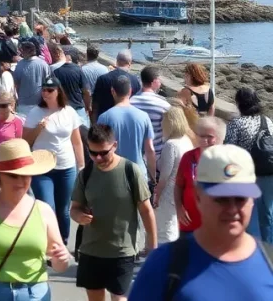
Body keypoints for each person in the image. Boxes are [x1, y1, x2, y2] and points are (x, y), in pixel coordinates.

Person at [128, 144, 273, 301]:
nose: (232, 209)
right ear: (198, 196)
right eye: (221, 199)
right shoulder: (164, 264)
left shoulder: (269, 262)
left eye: (240, 199)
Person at [0, 139, 70, 301]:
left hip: (35, 293)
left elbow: (59, 266)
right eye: (13, 176)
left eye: (26, 175)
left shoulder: (44, 211)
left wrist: (61, 258)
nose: (21, 181)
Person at [71, 124, 157, 301]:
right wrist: (79, 216)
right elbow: (74, 208)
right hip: (91, 250)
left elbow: (146, 211)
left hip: (122, 252)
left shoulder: (130, 171)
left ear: (115, 145)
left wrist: (152, 246)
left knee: (119, 298)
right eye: (93, 153)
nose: (98, 158)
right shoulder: (86, 174)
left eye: (103, 152)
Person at [22, 75, 84, 244]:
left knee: (64, 209)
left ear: (58, 92)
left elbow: (76, 141)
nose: (46, 93)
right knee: (47, 207)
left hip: (66, 166)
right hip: (42, 167)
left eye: (50, 90)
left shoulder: (69, 112)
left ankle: (62, 242)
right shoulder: (35, 113)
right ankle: (50, 243)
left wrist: (81, 165)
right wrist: (39, 128)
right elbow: (25, 140)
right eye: (43, 90)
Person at [225, 87, 273, 243]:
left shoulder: (237, 123)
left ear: (239, 103)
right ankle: (269, 245)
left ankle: (246, 246)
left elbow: (229, 149)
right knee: (267, 212)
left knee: (244, 211)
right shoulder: (267, 121)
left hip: (245, 173)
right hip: (267, 171)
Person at [98, 74, 157, 183]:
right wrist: (153, 178)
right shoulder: (143, 116)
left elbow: (100, 149)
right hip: (138, 173)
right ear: (130, 91)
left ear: (113, 91)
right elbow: (150, 150)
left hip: (113, 174)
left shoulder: (104, 117)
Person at [176, 116, 226, 237]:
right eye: (201, 135)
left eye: (209, 136)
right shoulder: (188, 157)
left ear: (219, 138)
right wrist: (178, 208)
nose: (204, 140)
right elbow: (178, 185)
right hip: (188, 224)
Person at [153, 104, 196, 244]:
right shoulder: (187, 141)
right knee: (177, 225)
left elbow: (165, 174)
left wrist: (157, 194)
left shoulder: (171, 144)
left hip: (170, 190)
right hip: (184, 187)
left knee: (165, 228)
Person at [130, 66, 171, 163]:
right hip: (156, 153)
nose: (161, 83)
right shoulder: (164, 105)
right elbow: (168, 131)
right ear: (154, 82)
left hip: (134, 153)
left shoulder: (130, 102)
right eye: (159, 80)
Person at [90, 50, 142, 123]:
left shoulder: (103, 79)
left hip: (105, 122)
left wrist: (94, 123)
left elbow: (95, 104)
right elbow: (137, 104)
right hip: (127, 120)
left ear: (117, 61)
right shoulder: (135, 81)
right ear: (130, 63)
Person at [52, 48, 91, 128]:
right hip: (78, 107)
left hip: (63, 109)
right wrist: (88, 105)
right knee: (84, 134)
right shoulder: (79, 70)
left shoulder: (56, 72)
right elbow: (86, 91)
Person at [12, 40, 51, 118]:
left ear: (25, 51)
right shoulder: (44, 64)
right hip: (41, 104)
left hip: (24, 104)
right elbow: (48, 84)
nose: (20, 53)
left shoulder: (20, 65)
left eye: (21, 51)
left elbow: (16, 85)